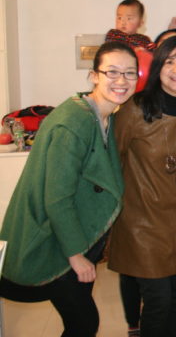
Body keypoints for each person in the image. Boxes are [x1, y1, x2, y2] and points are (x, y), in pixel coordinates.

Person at [0, 41, 138, 336]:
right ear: (94, 76)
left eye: (130, 73)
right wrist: (76, 256)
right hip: (53, 242)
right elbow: (57, 197)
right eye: (112, 72)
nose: (121, 81)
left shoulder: (104, 116)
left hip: (67, 238)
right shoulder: (73, 122)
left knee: (81, 321)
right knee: (84, 323)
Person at [107, 35, 176, 337]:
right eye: (169, 61)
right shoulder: (134, 109)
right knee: (158, 300)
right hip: (141, 224)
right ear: (158, 68)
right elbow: (112, 161)